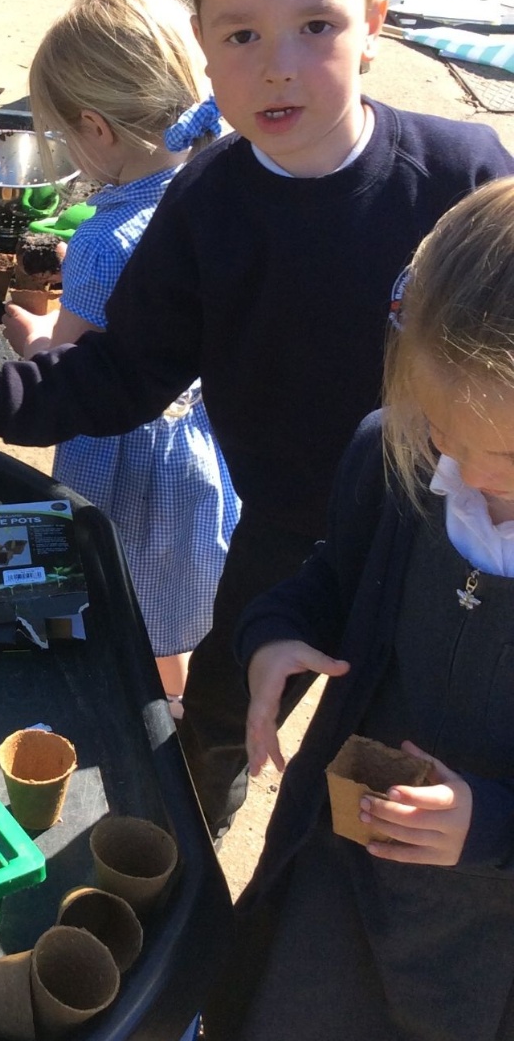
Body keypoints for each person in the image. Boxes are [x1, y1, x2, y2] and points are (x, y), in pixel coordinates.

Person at [0, 0, 514, 838]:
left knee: (414, 755)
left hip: (445, 521)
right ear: (202, 45)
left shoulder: (464, 180)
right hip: (277, 528)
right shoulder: (207, 204)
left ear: (375, 24)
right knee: (223, 723)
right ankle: (192, 864)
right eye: (242, 34)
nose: (276, 63)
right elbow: (124, 372)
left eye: (314, 25)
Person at [202, 177, 514, 1041]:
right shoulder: (397, 455)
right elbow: (335, 578)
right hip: (342, 871)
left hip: (486, 946)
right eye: (442, 429)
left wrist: (488, 824)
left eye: (506, 454)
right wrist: (274, 636)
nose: (465, 469)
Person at [5, 0, 239, 707]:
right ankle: (181, 709)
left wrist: (33, 334)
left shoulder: (107, 243)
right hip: (201, 446)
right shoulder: (221, 185)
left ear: (97, 129)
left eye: (68, 135)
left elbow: (67, 369)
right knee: (174, 606)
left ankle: (145, 721)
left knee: (124, 604)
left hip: (127, 460)